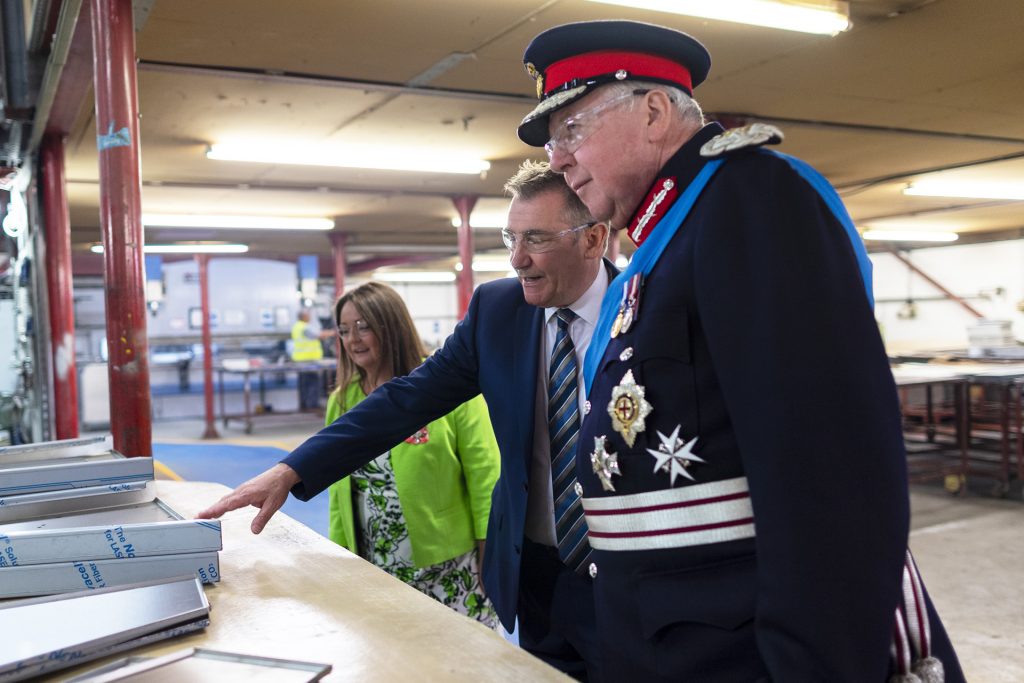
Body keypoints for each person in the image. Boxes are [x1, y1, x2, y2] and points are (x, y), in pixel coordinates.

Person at [516, 19, 964, 683]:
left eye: (572, 129)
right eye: (552, 140)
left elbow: (830, 480)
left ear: (655, 110)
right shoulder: (664, 245)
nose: (556, 158)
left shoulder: (751, 200)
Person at [199, 162, 613, 680]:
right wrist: (293, 470)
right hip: (536, 578)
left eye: (536, 238)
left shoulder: (644, 307)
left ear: (593, 239)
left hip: (626, 577)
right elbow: (407, 399)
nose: (517, 258)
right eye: (511, 237)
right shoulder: (498, 310)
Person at [325, 282, 499, 626]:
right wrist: (340, 558)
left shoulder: (444, 386)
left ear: (391, 326)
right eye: (344, 330)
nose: (353, 339)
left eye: (363, 326)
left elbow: (485, 475)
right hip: (375, 563)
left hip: (451, 564)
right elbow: (337, 490)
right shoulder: (342, 401)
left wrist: (488, 552)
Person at [290, 307, 332, 411]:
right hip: (308, 360)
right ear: (303, 316)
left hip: (301, 360)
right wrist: (333, 332)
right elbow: (318, 335)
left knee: (304, 383)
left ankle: (304, 404)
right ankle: (312, 405)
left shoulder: (297, 326)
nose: (309, 317)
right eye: (308, 315)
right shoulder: (304, 327)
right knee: (313, 382)